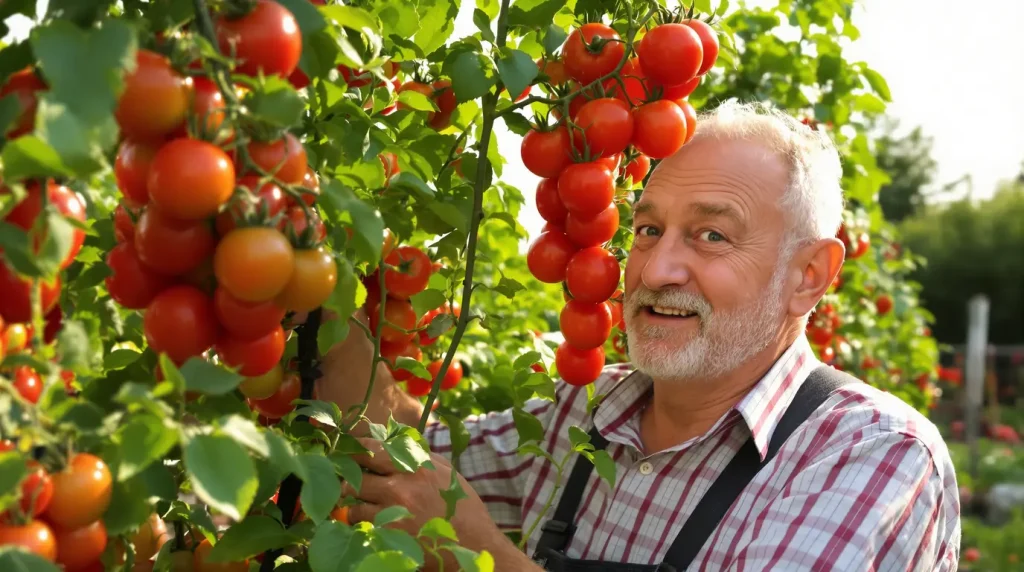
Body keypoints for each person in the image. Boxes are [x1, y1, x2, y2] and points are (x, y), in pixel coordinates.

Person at [316, 100, 961, 571]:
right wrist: (312, 289)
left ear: (808, 275)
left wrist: (479, 555)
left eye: (712, 235)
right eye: (648, 230)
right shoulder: (586, 413)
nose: (654, 270)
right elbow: (399, 453)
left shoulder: (871, 456)